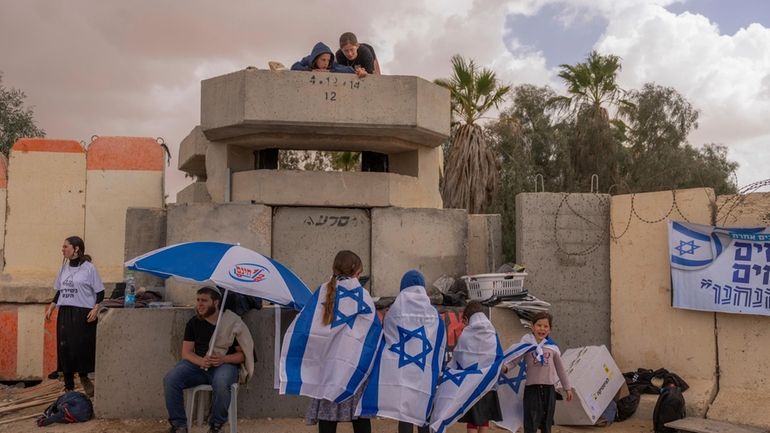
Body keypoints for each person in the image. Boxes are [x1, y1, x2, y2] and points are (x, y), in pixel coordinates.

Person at [300, 250, 374, 433]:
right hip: (354, 365)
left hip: (327, 367)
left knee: (327, 416)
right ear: (357, 271)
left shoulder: (322, 293)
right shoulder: (362, 296)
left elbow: (309, 326)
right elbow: (372, 330)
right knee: (360, 417)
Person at [163, 287, 255, 433]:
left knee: (221, 382)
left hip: (224, 366)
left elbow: (242, 356)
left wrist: (223, 358)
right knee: (171, 378)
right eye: (198, 300)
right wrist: (200, 361)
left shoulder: (231, 323)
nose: (199, 304)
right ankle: (179, 425)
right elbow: (186, 353)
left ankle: (217, 426)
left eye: (204, 300)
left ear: (216, 302)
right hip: (198, 366)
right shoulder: (193, 323)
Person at [45, 236, 104, 397]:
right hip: (65, 311)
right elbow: (60, 290)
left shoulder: (89, 268)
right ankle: (69, 386)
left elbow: (100, 292)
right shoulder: (63, 268)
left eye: (65, 246)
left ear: (76, 248)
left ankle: (84, 378)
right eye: (62, 247)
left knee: (81, 347)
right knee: (65, 348)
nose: (62, 249)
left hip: (83, 312)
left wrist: (96, 308)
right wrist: (51, 307)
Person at [502, 312, 573, 433]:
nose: (542, 329)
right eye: (539, 325)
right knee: (530, 423)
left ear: (550, 329)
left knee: (546, 424)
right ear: (532, 326)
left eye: (546, 326)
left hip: (549, 391)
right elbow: (514, 361)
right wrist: (505, 368)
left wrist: (568, 388)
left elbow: (560, 370)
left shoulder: (553, 348)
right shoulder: (526, 346)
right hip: (532, 391)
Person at [457, 301, 502, 433]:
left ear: (466, 319)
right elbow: (499, 356)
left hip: (471, 384)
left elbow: (459, 358)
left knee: (472, 420)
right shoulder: (493, 334)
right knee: (484, 419)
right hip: (488, 384)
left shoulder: (465, 335)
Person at [292, 42, 366, 78]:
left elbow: (349, 70)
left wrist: (330, 71)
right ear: (316, 58)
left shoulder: (330, 64)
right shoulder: (308, 59)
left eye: (328, 60)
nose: (326, 63)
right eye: (323, 60)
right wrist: (311, 70)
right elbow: (294, 66)